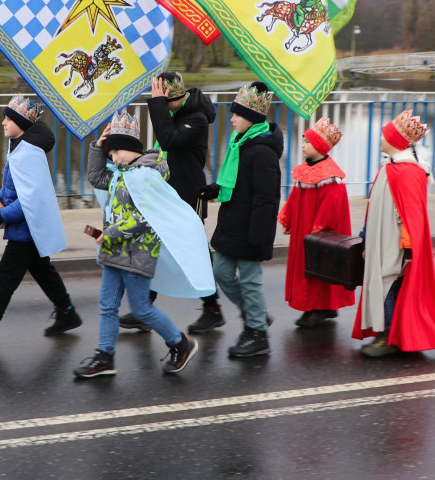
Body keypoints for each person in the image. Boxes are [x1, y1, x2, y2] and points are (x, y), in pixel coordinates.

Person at [75, 110, 213, 379]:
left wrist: (111, 232)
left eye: (115, 151)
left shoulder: (147, 176)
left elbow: (143, 217)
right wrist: (98, 146)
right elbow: (95, 177)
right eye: (111, 152)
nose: (112, 157)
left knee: (141, 308)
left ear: (129, 148)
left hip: (138, 253)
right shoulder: (120, 172)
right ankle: (105, 357)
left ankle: (180, 343)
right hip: (115, 251)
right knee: (107, 305)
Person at [0, 95, 80, 345]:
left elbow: (30, 202)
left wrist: (1, 214)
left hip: (28, 228)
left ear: (22, 124)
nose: (3, 122)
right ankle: (67, 313)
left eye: (8, 119)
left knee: (7, 274)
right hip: (28, 227)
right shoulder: (19, 146)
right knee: (41, 269)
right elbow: (13, 189)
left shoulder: (28, 153)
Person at [119, 72, 224, 335]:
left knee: (195, 249)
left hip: (191, 194)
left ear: (175, 98)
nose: (162, 107)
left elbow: (169, 140)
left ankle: (213, 309)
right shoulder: (178, 115)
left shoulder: (197, 119)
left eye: (164, 102)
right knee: (159, 245)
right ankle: (145, 308)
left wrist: (156, 104)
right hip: (169, 193)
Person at [353, 110, 435, 357]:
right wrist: (366, 237)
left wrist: (407, 250)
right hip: (380, 241)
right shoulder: (389, 168)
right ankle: (386, 333)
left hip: (395, 245)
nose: (380, 140)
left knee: (388, 285)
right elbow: (374, 207)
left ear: (396, 141)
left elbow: (411, 218)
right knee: (383, 286)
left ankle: (388, 337)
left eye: (385, 136)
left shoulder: (408, 173)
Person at [199, 82, 282, 358]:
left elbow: (266, 198)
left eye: (237, 114)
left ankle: (257, 334)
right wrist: (215, 190)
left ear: (254, 118)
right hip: (232, 222)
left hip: (251, 228)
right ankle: (255, 315)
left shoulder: (262, 153)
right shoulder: (241, 144)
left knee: (249, 280)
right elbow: (235, 183)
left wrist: (258, 235)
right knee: (220, 271)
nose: (232, 119)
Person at [278, 117, 354, 328]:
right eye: (303, 141)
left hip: (315, 231)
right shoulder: (304, 170)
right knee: (311, 267)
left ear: (320, 146)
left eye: (308, 142)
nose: (302, 145)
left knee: (317, 268)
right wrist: (288, 217)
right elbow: (295, 196)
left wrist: (318, 231)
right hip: (304, 229)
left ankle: (317, 308)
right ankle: (323, 307)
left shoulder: (331, 177)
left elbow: (331, 208)